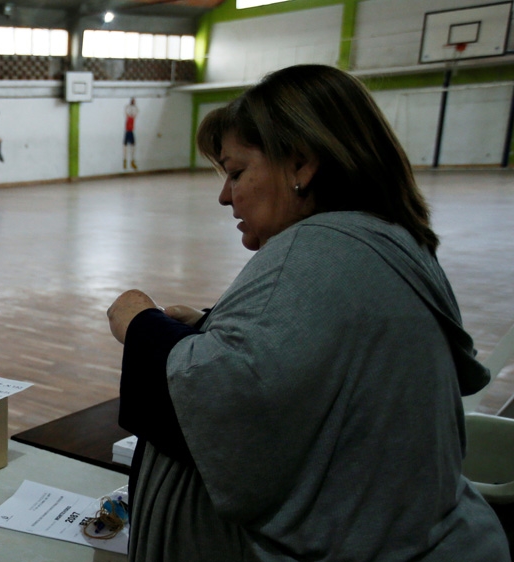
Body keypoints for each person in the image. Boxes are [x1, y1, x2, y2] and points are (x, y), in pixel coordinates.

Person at [106, 64, 509, 561]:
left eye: (236, 172)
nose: (224, 195)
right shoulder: (385, 240)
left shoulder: (312, 248)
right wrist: (212, 329)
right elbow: (318, 364)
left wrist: (141, 322)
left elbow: (224, 402)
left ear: (300, 165)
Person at [124, 98, 137, 170]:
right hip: (128, 132)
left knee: (132, 146)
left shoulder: (133, 118)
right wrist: (129, 106)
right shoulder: (128, 117)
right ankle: (125, 161)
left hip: (131, 132)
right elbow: (126, 111)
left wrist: (133, 107)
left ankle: (132, 161)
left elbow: (136, 112)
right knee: (125, 146)